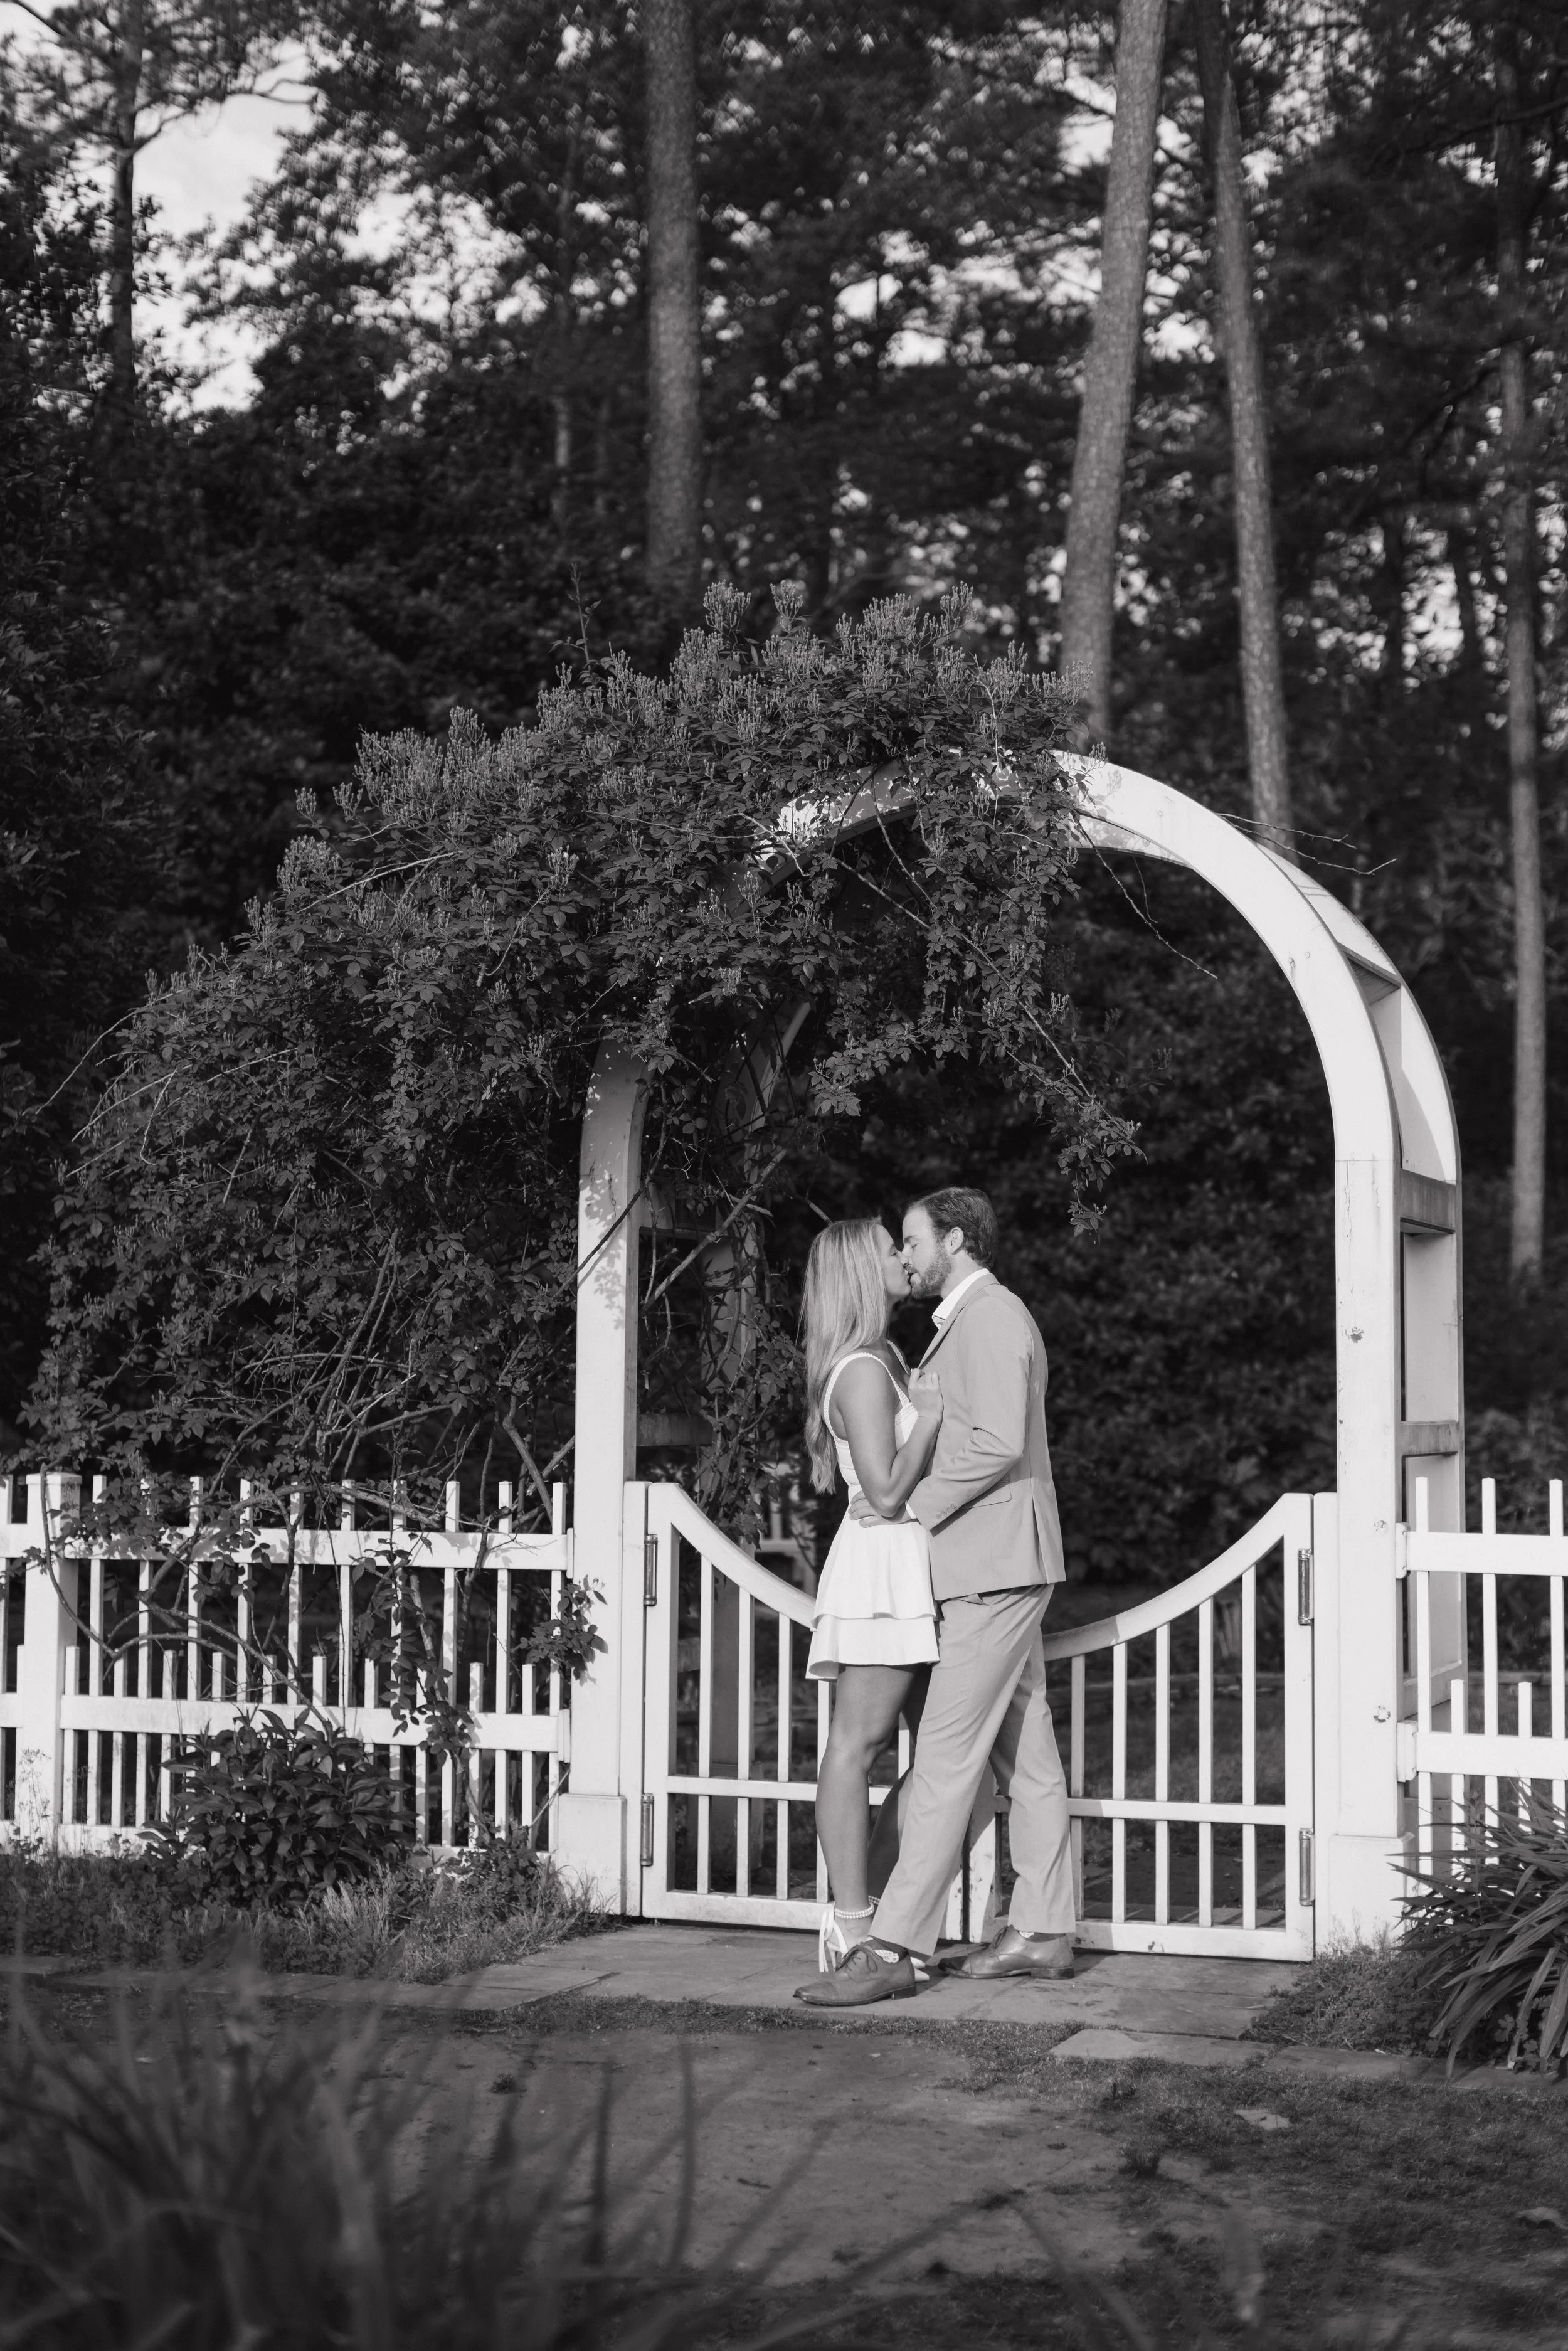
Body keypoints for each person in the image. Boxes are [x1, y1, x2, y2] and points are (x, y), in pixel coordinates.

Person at [795, 1186, 1075, 2008]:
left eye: (911, 1239)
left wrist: (907, 1507)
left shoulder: (988, 1318)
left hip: (991, 1563)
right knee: (1028, 1750)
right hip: (994, 1559)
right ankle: (1045, 1928)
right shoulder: (960, 1324)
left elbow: (994, 1441)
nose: (906, 1255)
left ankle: (895, 1946)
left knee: (946, 1759)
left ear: (953, 1240)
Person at [801, 1218, 944, 1968]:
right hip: (882, 1566)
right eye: (890, 1247)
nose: (902, 1255)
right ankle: (850, 1919)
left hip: (910, 1556)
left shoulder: (885, 1356)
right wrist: (933, 1416)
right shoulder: (860, 1369)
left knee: (945, 1755)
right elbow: (885, 1492)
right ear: (861, 1271)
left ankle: (887, 1911)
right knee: (857, 1745)